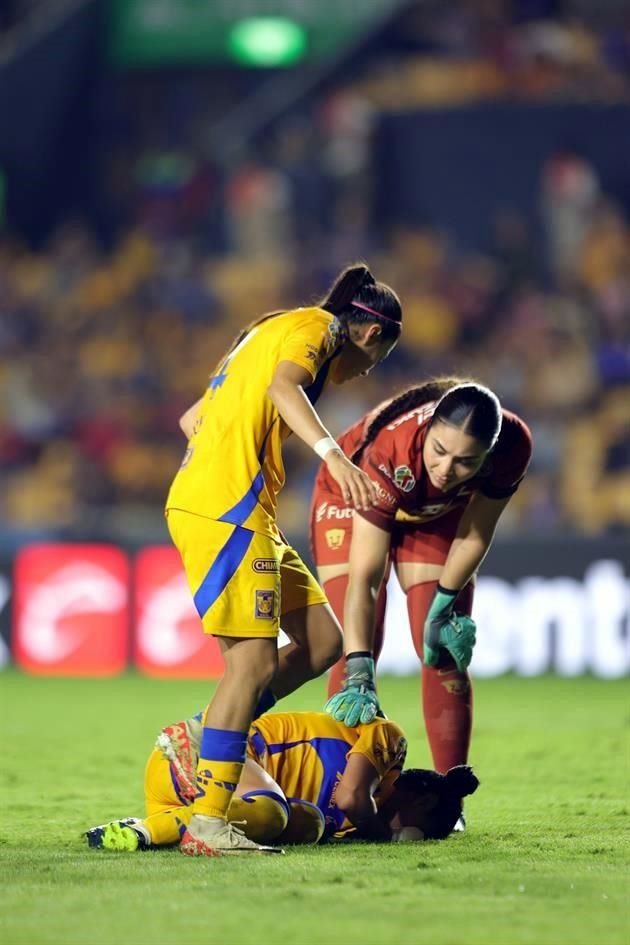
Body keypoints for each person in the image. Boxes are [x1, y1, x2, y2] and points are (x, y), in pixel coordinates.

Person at [164, 264, 403, 856]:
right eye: (371, 365)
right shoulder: (319, 328)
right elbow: (282, 388)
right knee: (251, 668)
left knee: (323, 641)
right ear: (369, 337)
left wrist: (229, 456)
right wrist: (335, 459)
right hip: (229, 511)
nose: (360, 376)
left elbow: (191, 418)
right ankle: (209, 822)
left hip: (245, 511)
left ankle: (210, 730)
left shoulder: (267, 329)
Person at [311, 378, 532, 793]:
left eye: (466, 462)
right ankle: (338, 795)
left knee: (441, 650)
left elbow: (476, 532)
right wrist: (360, 664)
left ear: (490, 452)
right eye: (440, 451)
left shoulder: (514, 446)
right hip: (351, 494)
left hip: (436, 512)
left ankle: (451, 796)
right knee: (356, 649)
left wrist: (443, 605)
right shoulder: (390, 448)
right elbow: (365, 579)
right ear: (428, 429)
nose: (447, 470)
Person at [85, 709, 479, 852]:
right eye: (418, 831)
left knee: (306, 822)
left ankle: (154, 831)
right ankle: (144, 829)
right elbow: (352, 797)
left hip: (191, 795)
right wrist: (387, 837)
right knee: (276, 813)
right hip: (208, 748)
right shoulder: (390, 740)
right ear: (423, 804)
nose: (405, 832)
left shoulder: (345, 831)